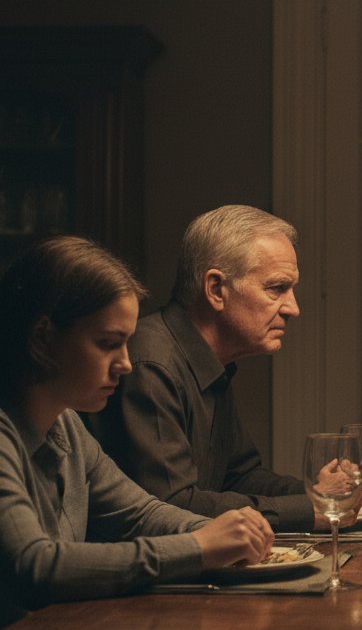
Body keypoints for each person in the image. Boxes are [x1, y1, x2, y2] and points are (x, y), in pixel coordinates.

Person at [0, 236, 276, 624]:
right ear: (43, 338)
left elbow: (139, 513)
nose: (126, 364)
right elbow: (35, 567)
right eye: (108, 343)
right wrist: (199, 546)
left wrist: (229, 531)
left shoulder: (66, 425)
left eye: (127, 344)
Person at [87, 205, 315, 529]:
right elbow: (175, 505)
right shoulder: (152, 364)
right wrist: (307, 512)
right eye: (276, 288)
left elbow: (240, 476)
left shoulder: (213, 362)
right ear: (216, 289)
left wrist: (319, 496)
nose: (293, 308)